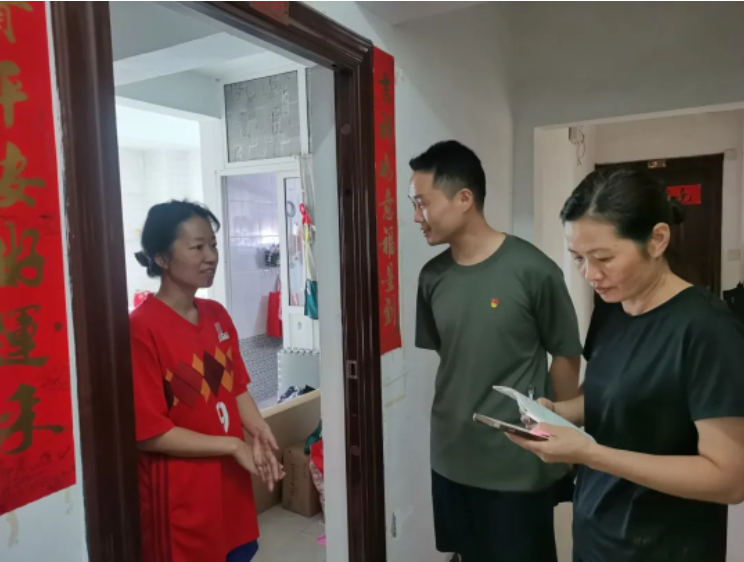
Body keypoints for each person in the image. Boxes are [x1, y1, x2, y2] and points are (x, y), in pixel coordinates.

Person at [508, 169, 744, 562]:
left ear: (657, 240)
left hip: (666, 547)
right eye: (578, 258)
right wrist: (557, 413)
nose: (590, 274)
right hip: (598, 535)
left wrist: (591, 454)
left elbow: (729, 479)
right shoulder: (611, 310)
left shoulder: (707, 329)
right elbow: (609, 395)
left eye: (603, 258)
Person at [411, 140, 583, 561]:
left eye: (422, 203)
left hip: (516, 461)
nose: (416, 216)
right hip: (451, 456)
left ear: (464, 198)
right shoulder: (432, 277)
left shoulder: (534, 271)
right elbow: (455, 356)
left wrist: (562, 433)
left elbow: (565, 355)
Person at [130, 200, 284, 562]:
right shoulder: (140, 329)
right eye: (197, 247)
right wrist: (233, 446)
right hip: (181, 503)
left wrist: (259, 429)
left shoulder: (217, 314)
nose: (211, 256)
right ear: (162, 258)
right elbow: (151, 434)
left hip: (230, 490)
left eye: (212, 245)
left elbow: (236, 387)